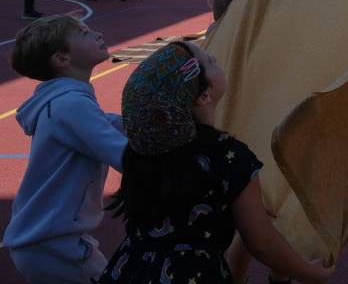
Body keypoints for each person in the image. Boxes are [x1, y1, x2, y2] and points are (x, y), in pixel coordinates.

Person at [98, 42, 333, 284]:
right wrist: (312, 273)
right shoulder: (229, 156)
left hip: (129, 271)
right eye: (210, 61)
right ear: (204, 96)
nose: (214, 58)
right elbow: (262, 243)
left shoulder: (142, 151)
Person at [4, 15, 127, 283]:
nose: (97, 33)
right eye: (84, 33)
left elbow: (109, 124)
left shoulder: (67, 101)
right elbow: (126, 156)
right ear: (62, 59)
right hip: (54, 244)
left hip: (46, 240)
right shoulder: (71, 105)